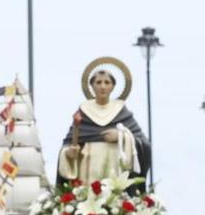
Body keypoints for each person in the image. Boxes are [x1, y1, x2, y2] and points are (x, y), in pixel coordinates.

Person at [56, 58, 151, 187]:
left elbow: (143, 144)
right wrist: (68, 153)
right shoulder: (84, 111)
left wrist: (121, 136)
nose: (102, 86)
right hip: (87, 176)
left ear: (113, 86)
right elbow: (69, 145)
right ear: (92, 86)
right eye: (98, 82)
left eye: (107, 82)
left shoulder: (121, 111)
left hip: (115, 173)